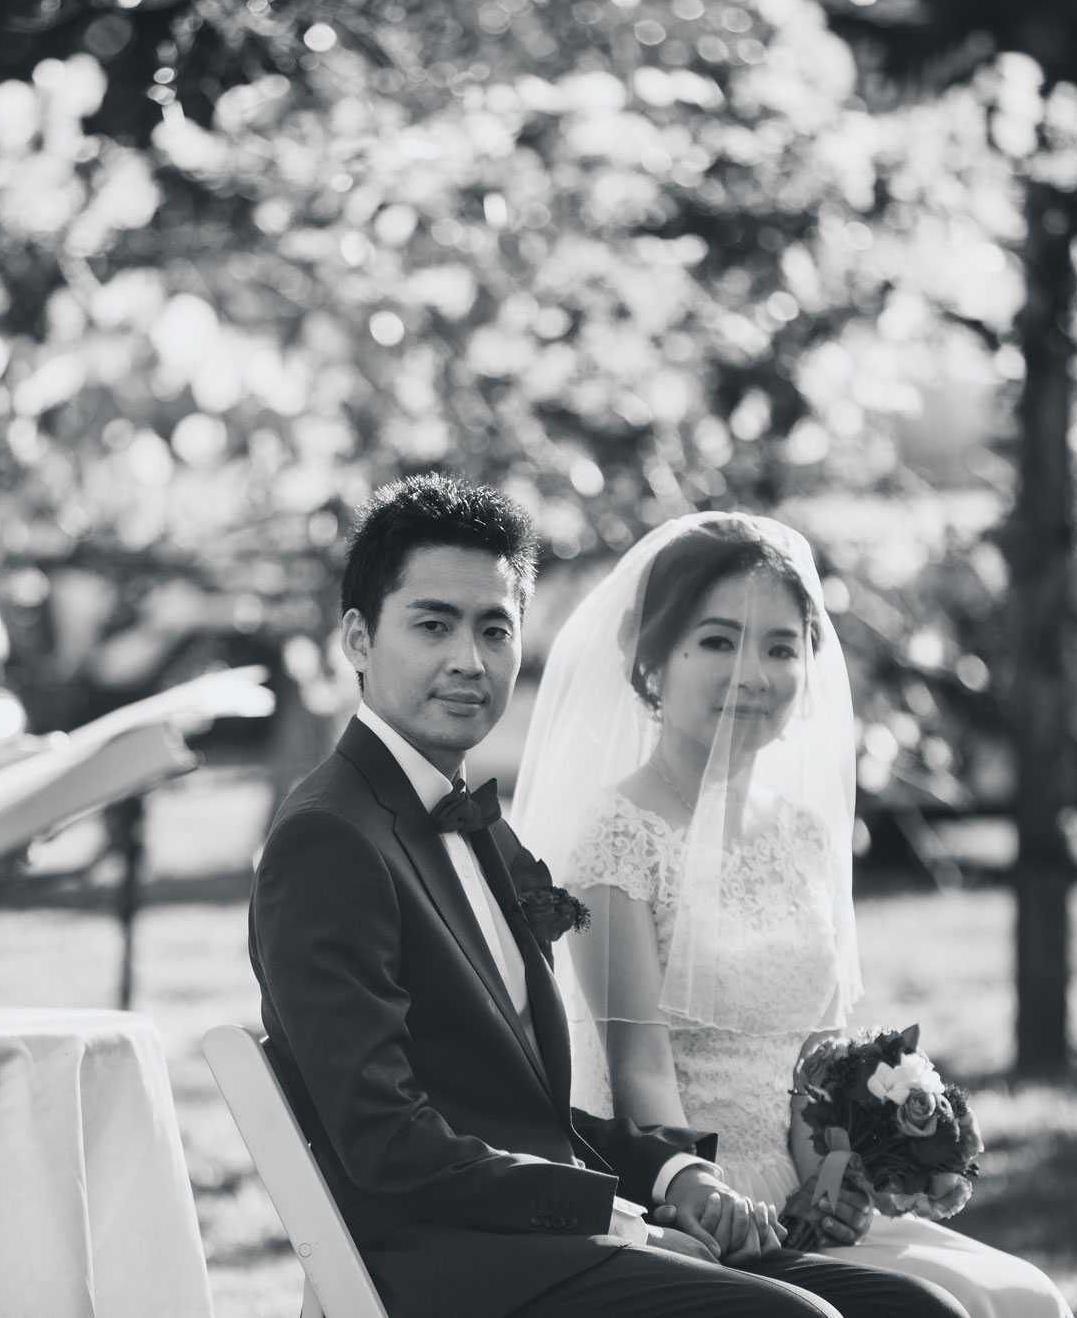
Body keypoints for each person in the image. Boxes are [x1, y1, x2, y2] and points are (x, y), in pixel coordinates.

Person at [250, 477, 968, 1318]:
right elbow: (385, 1138)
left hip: (551, 1241)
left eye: (495, 628)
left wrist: (676, 1174)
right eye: (433, 624)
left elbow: (524, 1111)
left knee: (919, 1311)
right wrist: (615, 1214)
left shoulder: (463, 818)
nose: (469, 660)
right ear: (358, 638)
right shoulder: (329, 838)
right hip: (454, 1272)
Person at [513, 513, 1073, 1318]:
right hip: (696, 1202)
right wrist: (711, 1198)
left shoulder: (805, 834)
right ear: (652, 659)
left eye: (780, 647)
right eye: (717, 641)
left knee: (1027, 1297)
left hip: (806, 1195)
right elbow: (638, 1069)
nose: (753, 673)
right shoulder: (617, 838)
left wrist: (836, 1181)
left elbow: (817, 1056)